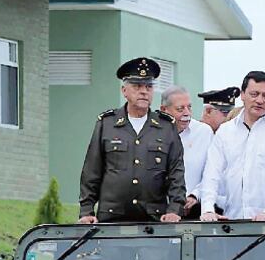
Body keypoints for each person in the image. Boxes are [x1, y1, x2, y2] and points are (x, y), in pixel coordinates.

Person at [78, 57, 185, 224]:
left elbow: (176, 173)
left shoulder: (166, 126)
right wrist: (86, 210)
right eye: (137, 86)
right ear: (124, 91)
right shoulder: (107, 124)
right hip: (112, 217)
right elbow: (92, 171)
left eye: (148, 87)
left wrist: (175, 209)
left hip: (154, 218)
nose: (144, 91)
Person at [200, 71, 265, 221]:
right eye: (254, 94)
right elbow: (212, 173)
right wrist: (207, 209)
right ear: (243, 95)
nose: (259, 100)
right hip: (232, 219)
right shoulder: (225, 131)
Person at [162, 86, 212, 219]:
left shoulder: (204, 132)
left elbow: (212, 172)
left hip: (195, 209)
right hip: (162, 211)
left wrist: (195, 195)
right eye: (180, 109)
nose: (187, 113)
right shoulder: (152, 132)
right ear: (164, 110)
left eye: (189, 107)